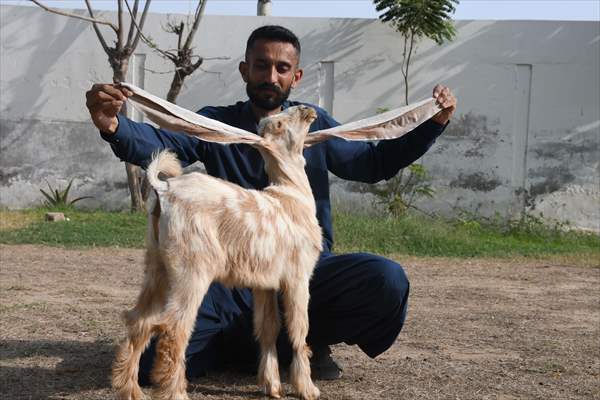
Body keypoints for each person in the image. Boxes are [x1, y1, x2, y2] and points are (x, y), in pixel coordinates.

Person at [85, 25, 456, 383]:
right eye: (261, 66)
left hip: (298, 271)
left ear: (296, 76)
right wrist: (113, 126)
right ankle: (261, 348)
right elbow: (161, 142)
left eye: (282, 68)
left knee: (385, 279)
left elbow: (371, 163)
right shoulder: (217, 124)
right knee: (154, 363)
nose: (271, 76)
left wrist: (432, 124)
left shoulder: (312, 125)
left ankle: (294, 341)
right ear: (245, 70)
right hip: (230, 276)